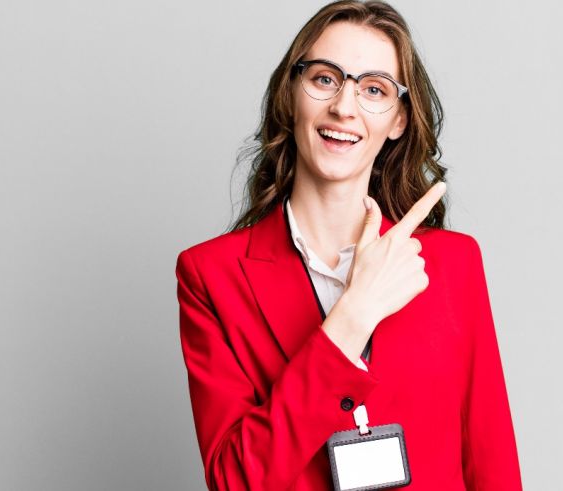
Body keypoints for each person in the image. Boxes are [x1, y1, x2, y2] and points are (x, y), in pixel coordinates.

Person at [175, 1, 522, 489]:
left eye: (374, 89)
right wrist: (353, 316)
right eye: (324, 78)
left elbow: (493, 465)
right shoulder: (211, 275)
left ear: (399, 119)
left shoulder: (453, 264)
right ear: (291, 94)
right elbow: (235, 480)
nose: (344, 106)